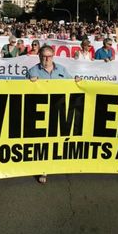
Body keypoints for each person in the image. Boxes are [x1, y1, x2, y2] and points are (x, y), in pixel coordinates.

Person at [26, 45, 78, 184]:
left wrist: (77, 82)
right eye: (43, 56)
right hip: (40, 112)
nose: (46, 59)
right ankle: (43, 169)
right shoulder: (32, 72)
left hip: (58, 109)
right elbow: (24, 94)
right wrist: (29, 84)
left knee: (57, 138)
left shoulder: (62, 70)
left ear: (53, 56)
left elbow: (72, 84)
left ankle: (55, 163)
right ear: (39, 56)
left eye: (49, 56)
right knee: (42, 141)